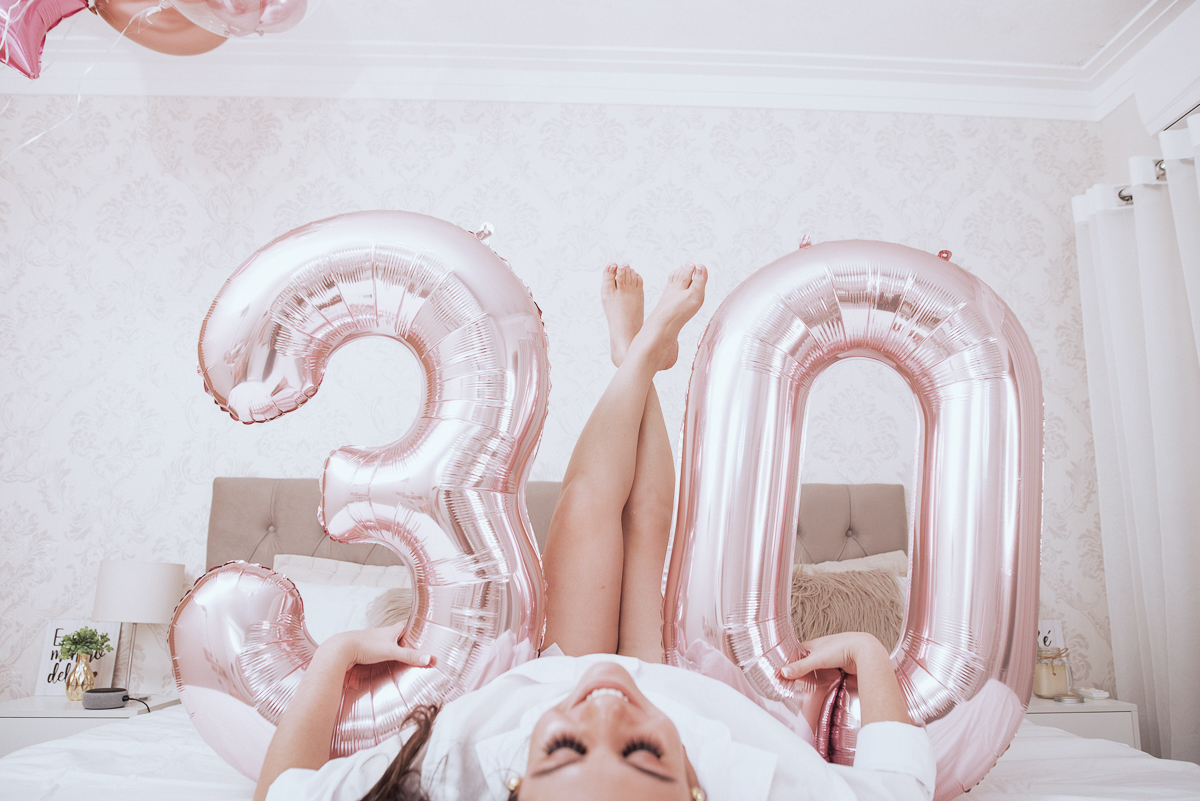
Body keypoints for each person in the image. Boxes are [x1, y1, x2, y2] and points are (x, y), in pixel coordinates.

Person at [254, 264, 935, 801]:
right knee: (650, 529)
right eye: (645, 753)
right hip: (680, 696)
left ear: (511, 783)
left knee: (586, 506)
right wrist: (870, 651)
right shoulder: (751, 781)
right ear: (697, 788)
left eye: (565, 749)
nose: (606, 706)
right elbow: (899, 786)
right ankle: (638, 352)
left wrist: (337, 651)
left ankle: (636, 354)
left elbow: (282, 790)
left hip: (547, 679)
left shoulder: (456, 770)